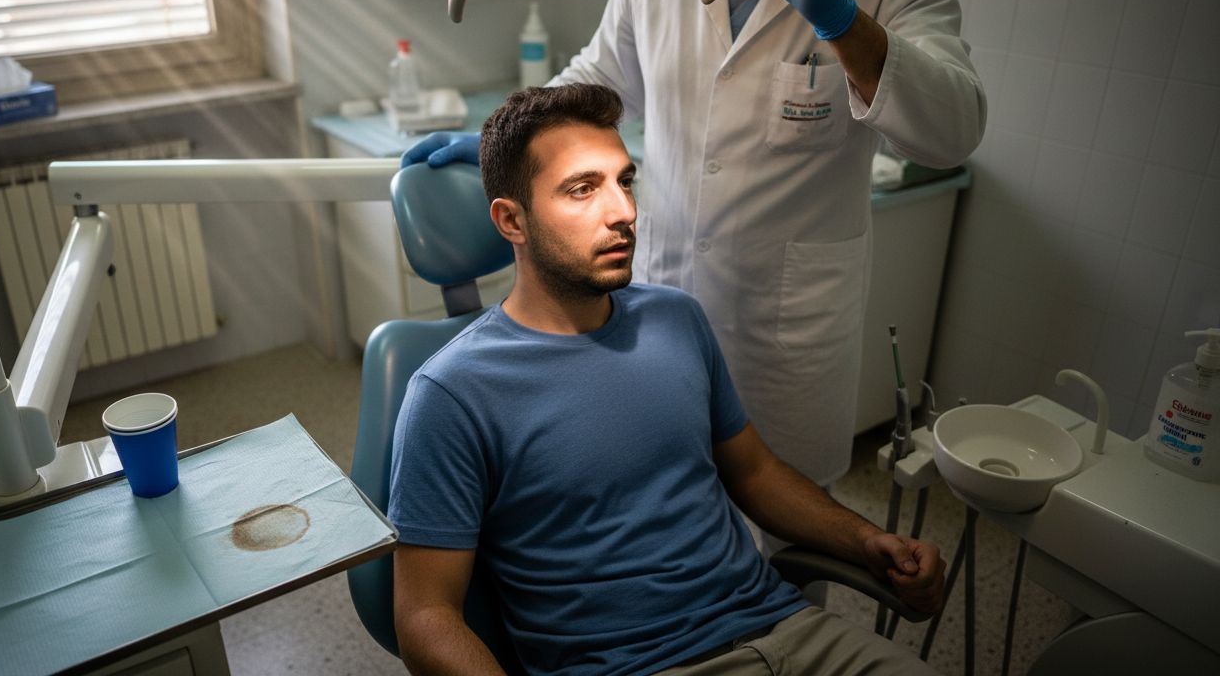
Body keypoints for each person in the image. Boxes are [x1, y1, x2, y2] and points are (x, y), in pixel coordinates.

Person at [402, 0, 987, 534]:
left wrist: (844, 23)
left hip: (784, 331)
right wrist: (510, 142)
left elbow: (951, 132)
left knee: (792, 531)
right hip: (664, 302)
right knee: (656, 498)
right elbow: (603, 78)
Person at [388, 84, 945, 676]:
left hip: (790, 628)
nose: (623, 211)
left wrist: (866, 540)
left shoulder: (675, 319)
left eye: (624, 181)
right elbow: (426, 615)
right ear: (511, 220)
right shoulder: (453, 393)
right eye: (582, 188)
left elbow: (754, 472)